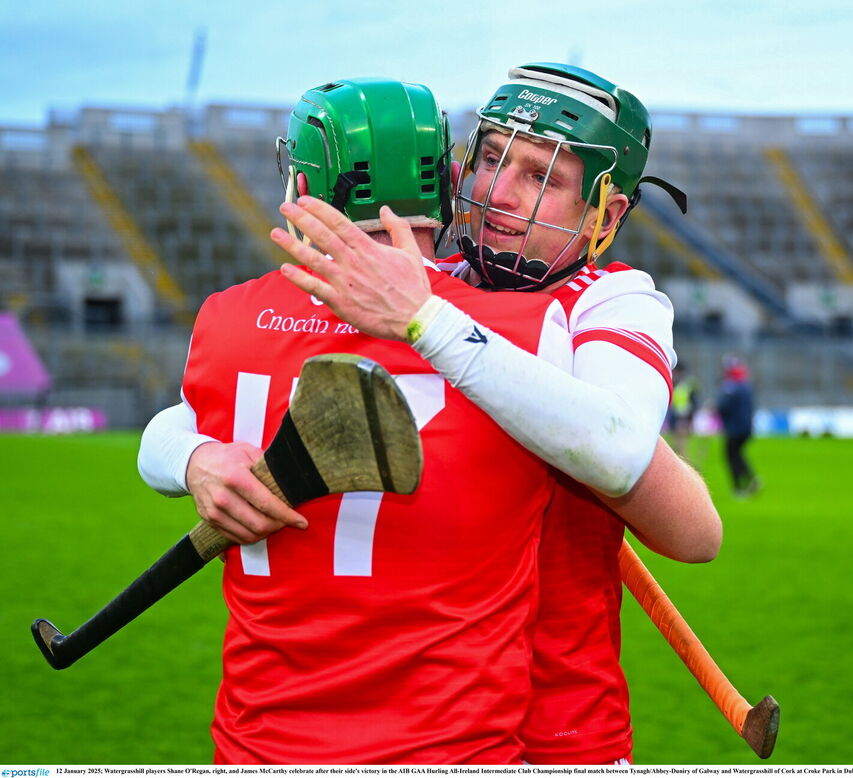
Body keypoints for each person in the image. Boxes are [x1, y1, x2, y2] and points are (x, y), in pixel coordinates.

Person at [142, 72, 719, 764]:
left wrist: (428, 323)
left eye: (541, 177)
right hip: (448, 724)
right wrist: (193, 459)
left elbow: (671, 506)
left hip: (559, 723)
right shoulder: (396, 289)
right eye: (491, 157)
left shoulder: (604, 302)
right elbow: (180, 420)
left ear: (606, 211)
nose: (499, 193)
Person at [716, 355, 759, 497]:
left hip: (734, 428)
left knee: (730, 456)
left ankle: (738, 488)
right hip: (746, 427)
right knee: (737, 454)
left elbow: (723, 407)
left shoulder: (730, 386)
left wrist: (715, 408)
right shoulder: (746, 384)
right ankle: (751, 478)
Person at [666, 362, 699, 457]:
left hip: (683, 419)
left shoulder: (687, 386)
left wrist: (690, 420)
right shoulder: (675, 384)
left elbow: (693, 403)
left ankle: (684, 463)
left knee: (681, 445)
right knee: (676, 444)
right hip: (676, 418)